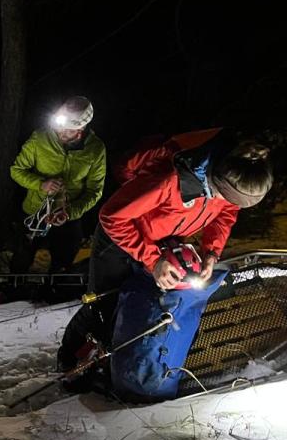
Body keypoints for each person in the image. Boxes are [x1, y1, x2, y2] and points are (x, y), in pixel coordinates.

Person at [60, 136, 273, 375]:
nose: (230, 204)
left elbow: (225, 215)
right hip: (121, 236)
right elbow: (112, 217)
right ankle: (67, 361)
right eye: (228, 199)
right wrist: (152, 260)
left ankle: (121, 360)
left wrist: (211, 252)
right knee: (104, 302)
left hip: (165, 238)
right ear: (215, 183)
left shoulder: (229, 185)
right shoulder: (168, 181)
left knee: (146, 302)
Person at [8, 96, 107, 275]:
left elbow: (95, 190)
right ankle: (11, 290)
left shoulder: (95, 149)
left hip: (67, 215)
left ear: (80, 129)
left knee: (64, 259)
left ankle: (54, 292)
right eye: (59, 124)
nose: (60, 131)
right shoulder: (40, 138)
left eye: (67, 129)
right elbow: (17, 170)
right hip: (35, 210)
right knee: (22, 256)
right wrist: (40, 184)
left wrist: (70, 212)